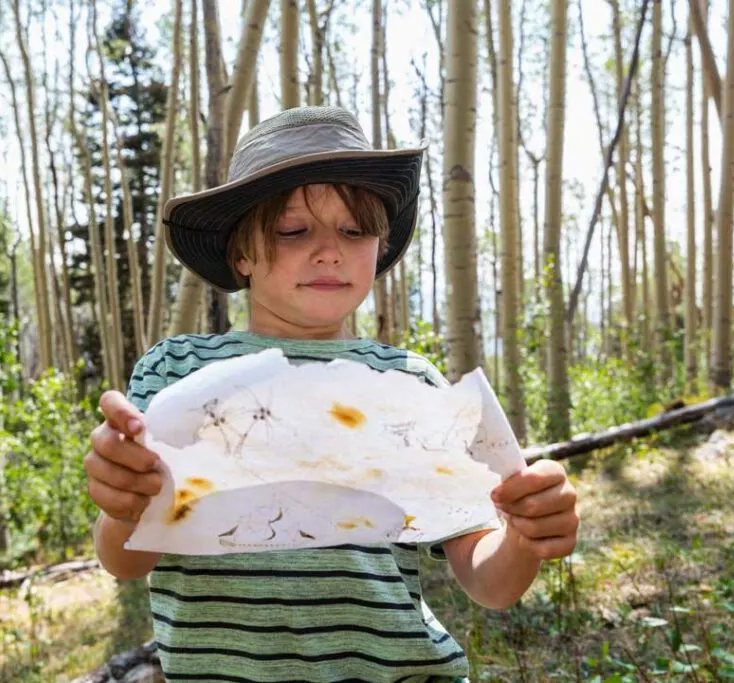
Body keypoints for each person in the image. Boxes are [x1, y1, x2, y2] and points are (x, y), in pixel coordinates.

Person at [83, 106, 579, 682]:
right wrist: (124, 505)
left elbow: (487, 581)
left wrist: (524, 536)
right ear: (241, 253)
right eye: (293, 230)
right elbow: (124, 559)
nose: (329, 250)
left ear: (380, 245)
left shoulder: (410, 384)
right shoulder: (177, 372)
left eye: (354, 229)